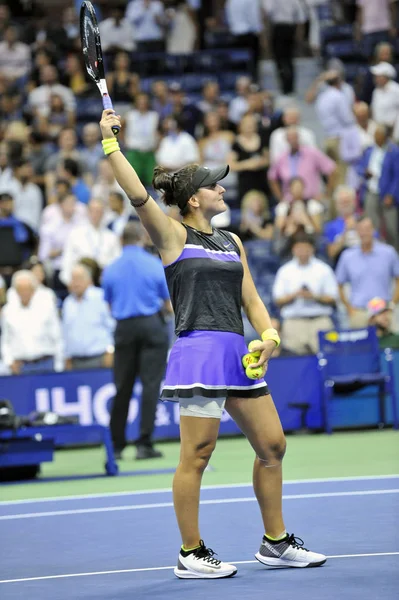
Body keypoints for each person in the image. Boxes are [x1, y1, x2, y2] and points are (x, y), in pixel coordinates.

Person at [98, 107, 327, 578]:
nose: (223, 188)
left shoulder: (232, 241)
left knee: (273, 445)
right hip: (198, 352)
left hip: (236, 354)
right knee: (197, 455)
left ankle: (276, 541)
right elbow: (137, 193)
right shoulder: (171, 234)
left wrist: (269, 336)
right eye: (214, 184)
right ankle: (191, 551)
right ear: (194, 199)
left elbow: (253, 299)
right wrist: (111, 143)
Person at [102, 222, 171, 460]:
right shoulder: (153, 264)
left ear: (121, 241)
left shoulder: (110, 269)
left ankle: (117, 446)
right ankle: (144, 444)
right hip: (151, 325)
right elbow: (166, 301)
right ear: (142, 238)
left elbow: (109, 304)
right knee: (151, 386)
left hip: (124, 328)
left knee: (123, 387)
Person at [272, 233, 338, 355]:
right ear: (293, 249)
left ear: (312, 249)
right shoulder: (285, 271)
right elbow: (278, 300)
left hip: (320, 320)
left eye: (306, 248)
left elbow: (333, 298)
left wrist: (314, 296)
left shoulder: (323, 269)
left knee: (327, 356)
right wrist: (295, 295)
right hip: (294, 321)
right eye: (299, 248)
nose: (303, 252)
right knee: (292, 358)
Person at [336, 217, 399, 328]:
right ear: (356, 232)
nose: (364, 233)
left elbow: (398, 279)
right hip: (359, 311)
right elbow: (339, 284)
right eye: (360, 229)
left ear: (373, 230)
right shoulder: (347, 256)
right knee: (358, 344)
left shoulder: (388, 253)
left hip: (383, 310)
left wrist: (392, 305)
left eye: (367, 229)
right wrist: (349, 308)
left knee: (390, 344)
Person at [63, 264, 115, 370]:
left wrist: (111, 351)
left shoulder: (100, 297)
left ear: (89, 280)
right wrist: (66, 356)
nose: (76, 283)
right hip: (75, 361)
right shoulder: (67, 303)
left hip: (100, 357)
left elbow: (113, 326)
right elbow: (65, 332)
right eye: (73, 279)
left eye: (79, 279)